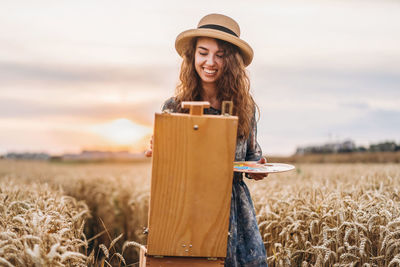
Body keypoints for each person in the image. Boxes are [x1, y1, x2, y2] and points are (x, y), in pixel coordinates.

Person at [146, 13, 268, 267]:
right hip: (186, 205)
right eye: (203, 52)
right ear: (192, 57)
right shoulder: (174, 106)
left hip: (233, 210)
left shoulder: (244, 108)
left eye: (220, 55)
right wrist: (159, 149)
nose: (210, 62)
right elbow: (167, 163)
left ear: (231, 61)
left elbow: (251, 160)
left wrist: (258, 168)